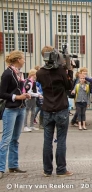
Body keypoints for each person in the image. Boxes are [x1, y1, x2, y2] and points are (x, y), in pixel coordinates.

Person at [36, 46, 74, 177]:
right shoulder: (60, 71)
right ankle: (61, 169)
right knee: (61, 140)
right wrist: (69, 70)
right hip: (61, 108)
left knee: (47, 140)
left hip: (47, 109)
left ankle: (47, 170)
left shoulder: (39, 73)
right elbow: (69, 87)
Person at [0, 50, 31, 179]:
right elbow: (2, 93)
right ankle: (1, 168)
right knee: (6, 139)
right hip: (11, 109)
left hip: (21, 108)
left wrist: (26, 93)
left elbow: (20, 89)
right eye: (23, 58)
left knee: (15, 139)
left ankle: (13, 165)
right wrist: (17, 97)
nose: (24, 60)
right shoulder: (7, 74)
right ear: (18, 60)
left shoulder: (20, 74)